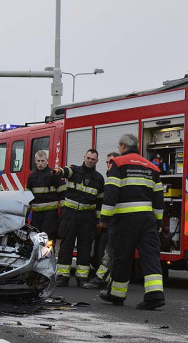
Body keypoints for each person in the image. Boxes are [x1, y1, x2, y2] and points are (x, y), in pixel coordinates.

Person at [97, 133, 166, 310]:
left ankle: (117, 294)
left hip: (125, 220)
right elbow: (158, 199)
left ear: (122, 146)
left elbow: (111, 192)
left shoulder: (118, 163)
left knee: (122, 256)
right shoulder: (152, 167)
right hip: (147, 219)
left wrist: (104, 219)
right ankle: (155, 295)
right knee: (150, 256)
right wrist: (158, 222)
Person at [52, 149, 105, 287]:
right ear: (84, 157)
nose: (90, 161)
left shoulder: (99, 179)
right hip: (70, 215)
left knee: (85, 247)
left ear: (96, 161)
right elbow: (64, 171)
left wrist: (99, 221)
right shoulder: (74, 170)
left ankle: (82, 278)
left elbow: (99, 202)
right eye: (88, 158)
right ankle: (63, 276)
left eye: (93, 159)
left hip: (87, 218)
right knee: (66, 245)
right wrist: (58, 171)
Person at [83, 151, 120, 290]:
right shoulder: (112, 175)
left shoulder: (115, 176)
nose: (108, 165)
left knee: (109, 253)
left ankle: (100, 279)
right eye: (107, 162)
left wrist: (103, 220)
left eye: (111, 162)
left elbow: (110, 201)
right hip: (113, 221)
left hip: (115, 221)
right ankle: (112, 280)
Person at [26, 150, 64, 240]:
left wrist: (63, 213)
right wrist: (25, 215)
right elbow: (27, 198)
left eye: (42, 161)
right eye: (38, 161)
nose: (40, 163)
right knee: (35, 241)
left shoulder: (53, 174)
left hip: (50, 216)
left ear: (47, 160)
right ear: (35, 160)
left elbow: (63, 193)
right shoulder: (31, 177)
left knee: (48, 242)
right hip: (36, 217)